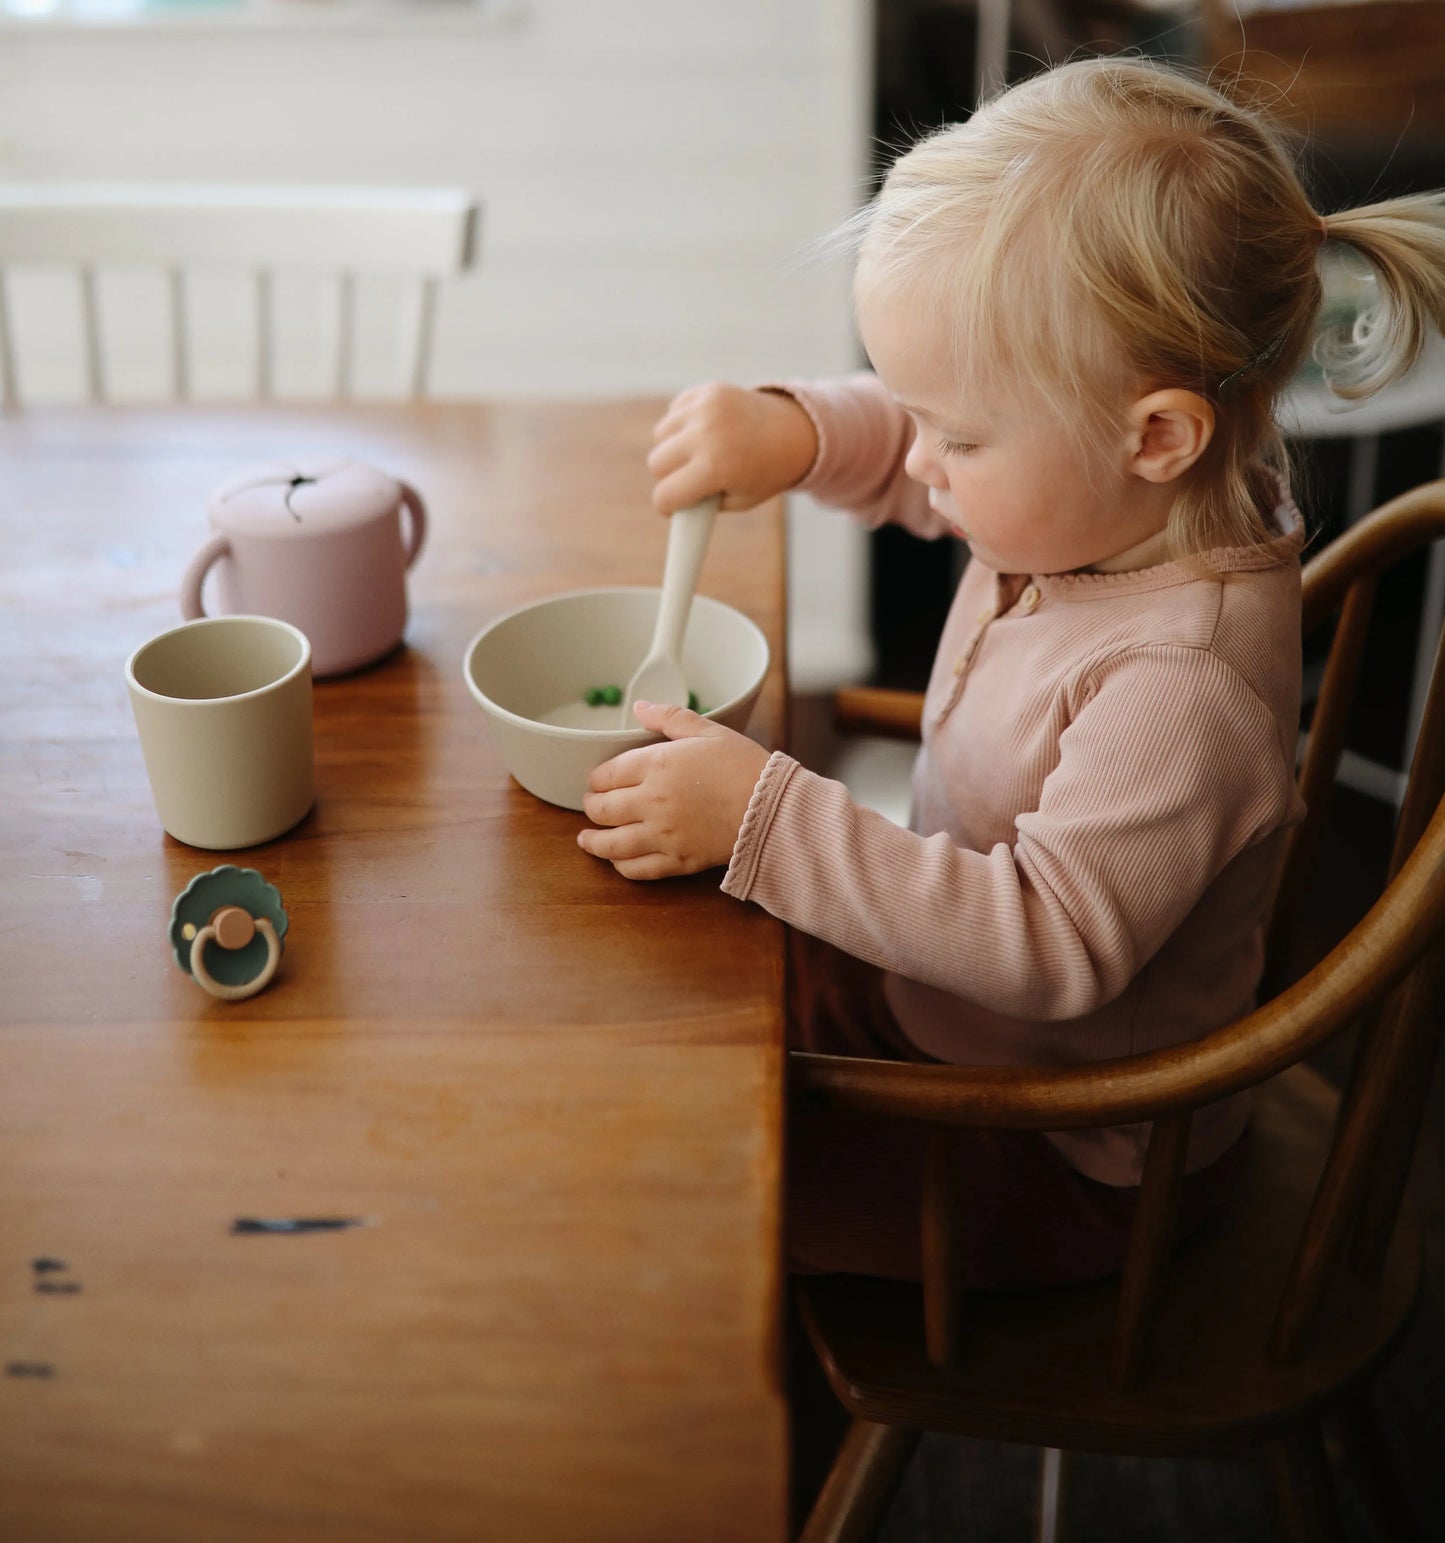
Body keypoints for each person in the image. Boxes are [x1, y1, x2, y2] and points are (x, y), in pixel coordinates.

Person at [575, 56, 1445, 1284]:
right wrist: (804, 429)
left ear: (1152, 435)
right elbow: (925, 436)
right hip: (935, 1007)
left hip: (1062, 1145)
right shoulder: (1104, 502)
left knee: (673, 1188)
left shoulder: (1176, 684)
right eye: (917, 415)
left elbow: (1047, 946)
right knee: (647, 1010)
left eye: (957, 436)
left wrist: (766, 815)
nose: (920, 460)